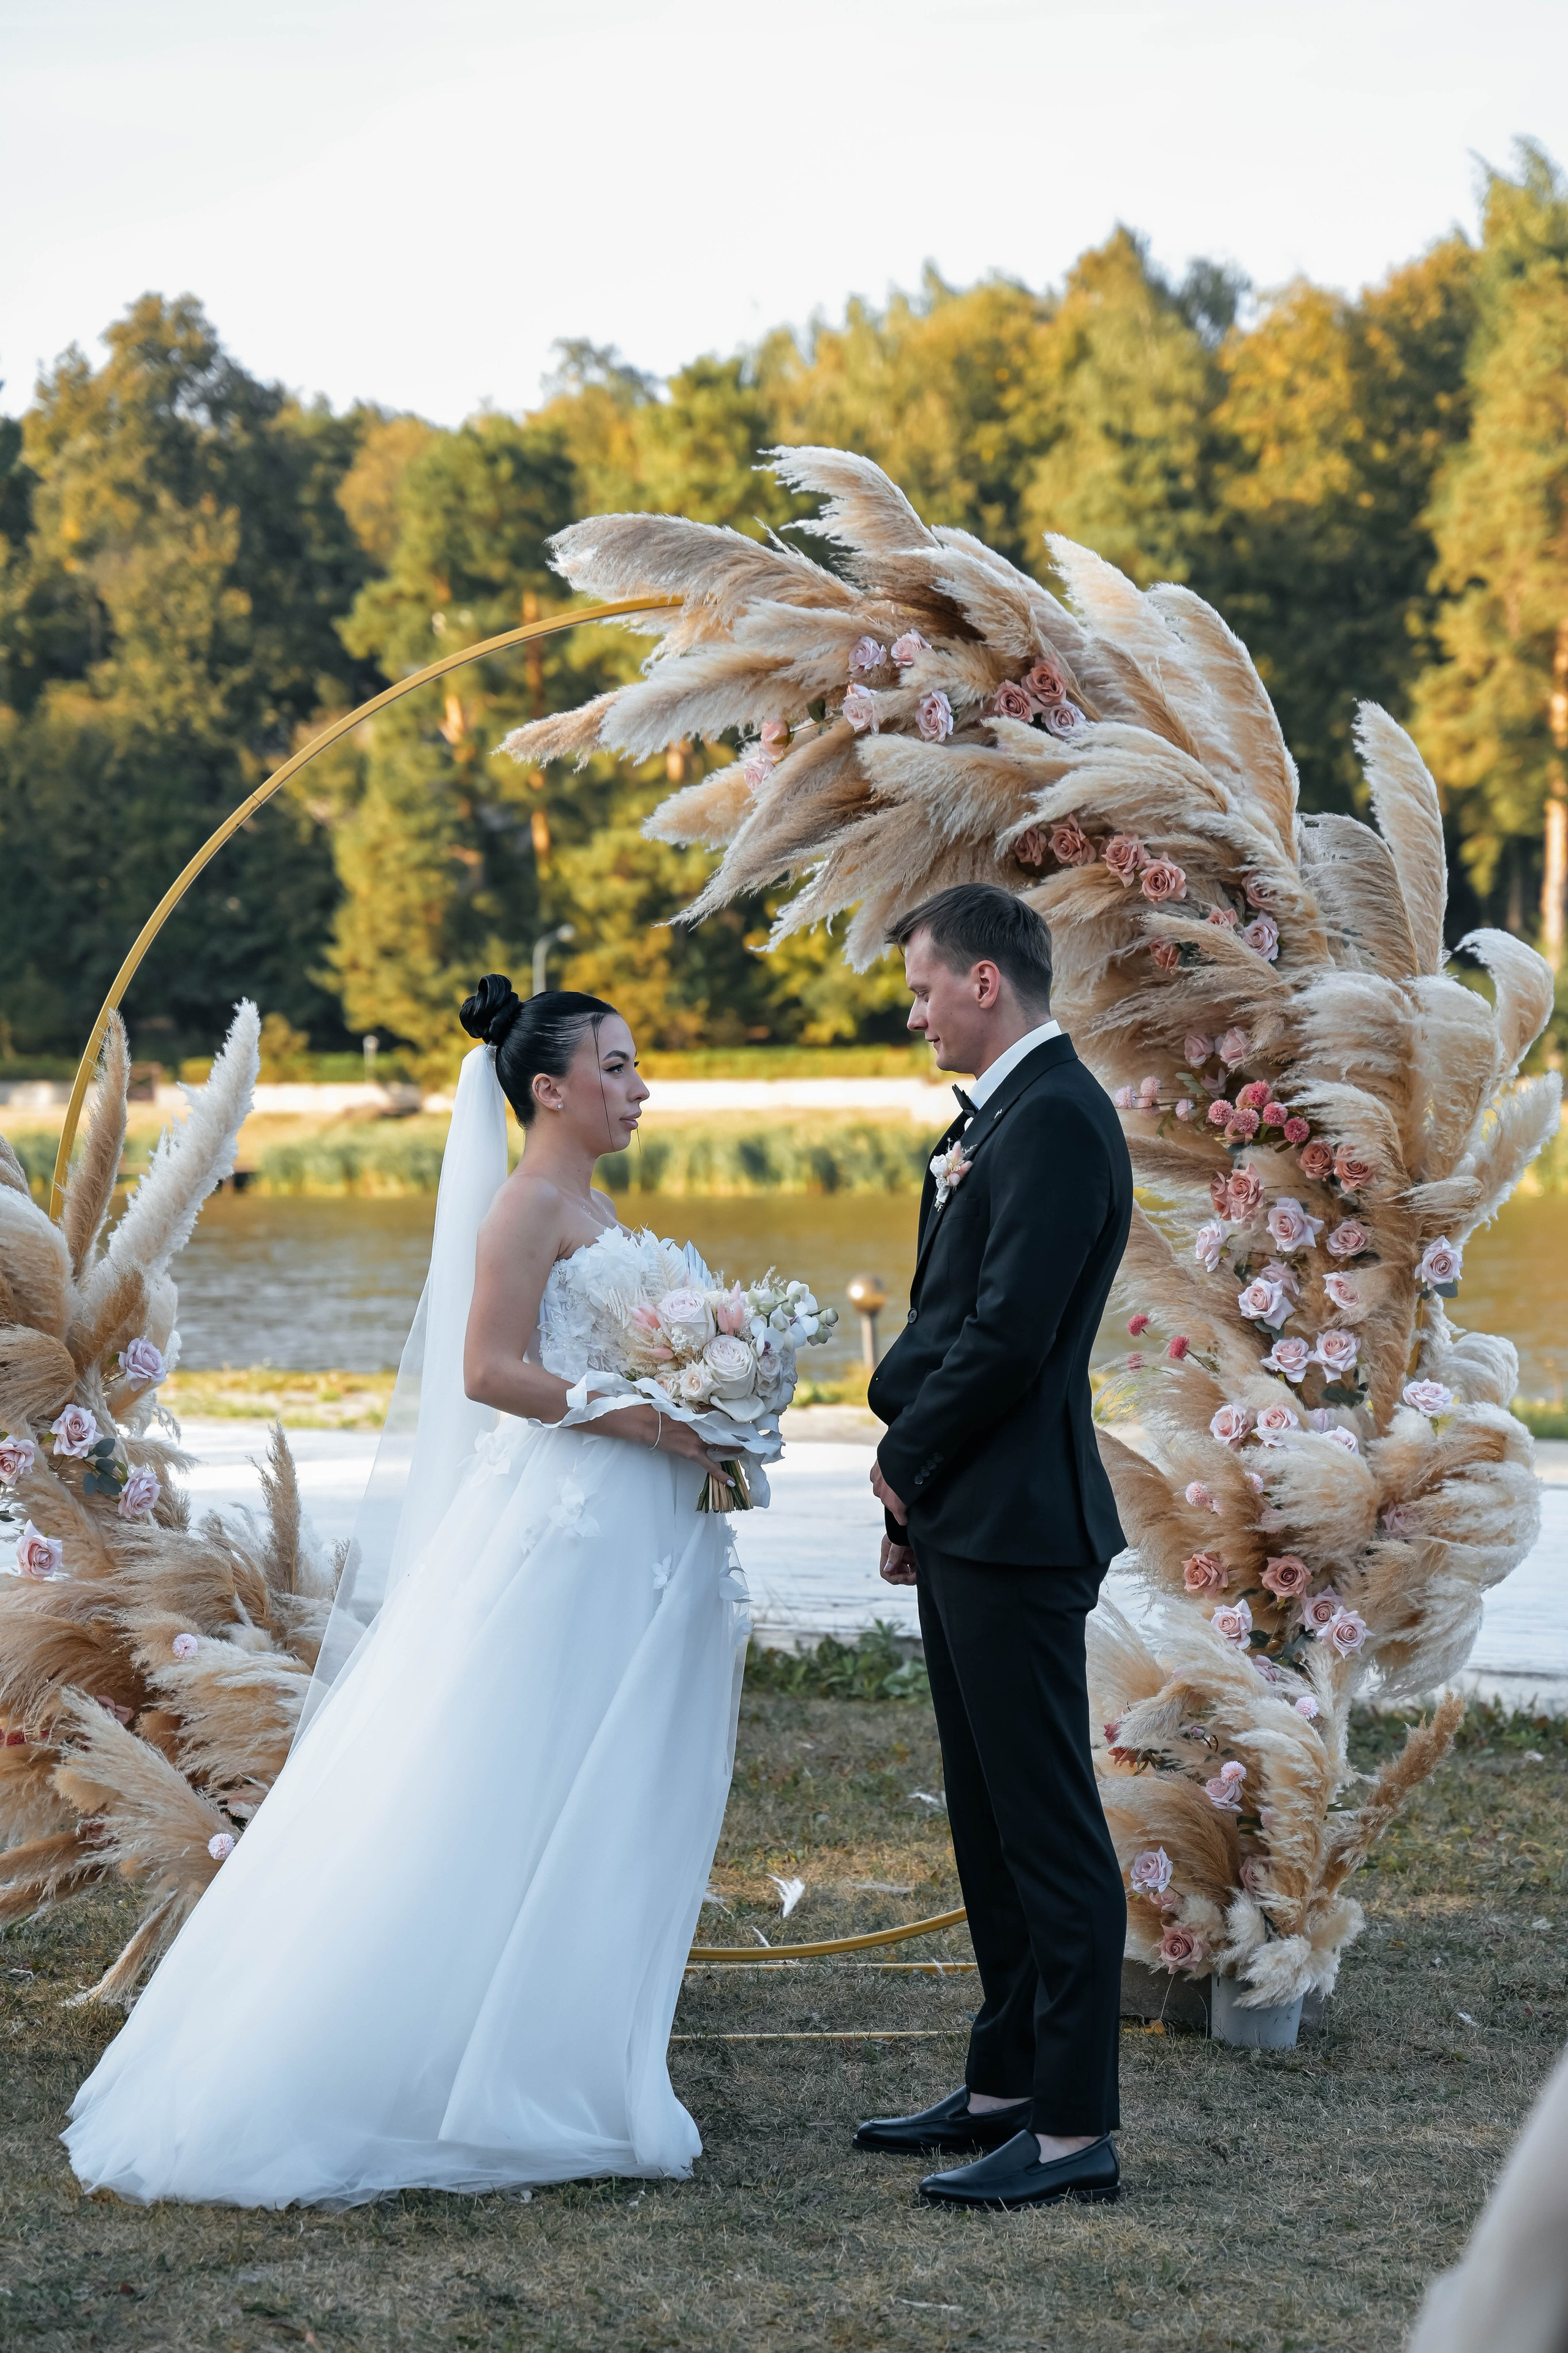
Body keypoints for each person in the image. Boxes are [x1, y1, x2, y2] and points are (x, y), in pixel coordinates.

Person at [64, 981, 748, 2206]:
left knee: (595, 1784)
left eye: (635, 1065)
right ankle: (407, 2050)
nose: (639, 1087)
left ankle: (557, 2043)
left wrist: (711, 1399)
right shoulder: (525, 1204)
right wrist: (648, 1415)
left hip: (631, 1531)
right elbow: (488, 1370)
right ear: (550, 1088)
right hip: (568, 1529)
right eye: (617, 1066)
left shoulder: (594, 1203)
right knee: (511, 1771)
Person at [853, 884, 1132, 2211]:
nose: (914, 1016)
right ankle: (1005, 2085)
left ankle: (1074, 2131)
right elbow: (945, 1319)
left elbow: (1010, 1338)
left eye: (922, 990)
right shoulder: (997, 1120)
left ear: (982, 980)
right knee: (986, 1822)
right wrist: (916, 1497)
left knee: (1048, 1831)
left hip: (1020, 1523)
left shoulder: (1059, 1119)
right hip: (973, 1514)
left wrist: (904, 1458)